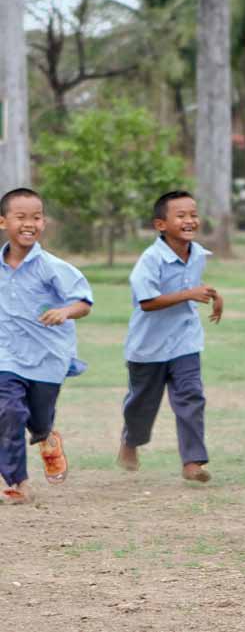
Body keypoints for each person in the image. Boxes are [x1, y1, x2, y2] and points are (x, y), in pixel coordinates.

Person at [117, 191, 223, 483]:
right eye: (181, 215)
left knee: (191, 397)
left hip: (184, 341)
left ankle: (192, 461)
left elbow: (191, 285)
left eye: (193, 214)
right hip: (148, 348)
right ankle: (131, 441)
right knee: (142, 404)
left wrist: (213, 295)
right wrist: (190, 294)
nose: (190, 220)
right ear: (161, 224)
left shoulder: (198, 253)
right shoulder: (150, 260)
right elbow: (147, 302)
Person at [0, 187, 93, 504]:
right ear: (3, 222)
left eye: (36, 217)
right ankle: (17, 482)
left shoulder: (54, 267)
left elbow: (84, 303)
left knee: (38, 420)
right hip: (6, 357)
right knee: (9, 411)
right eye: (21, 217)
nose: (30, 223)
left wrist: (65, 311)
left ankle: (46, 437)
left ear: (43, 222)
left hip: (46, 360)